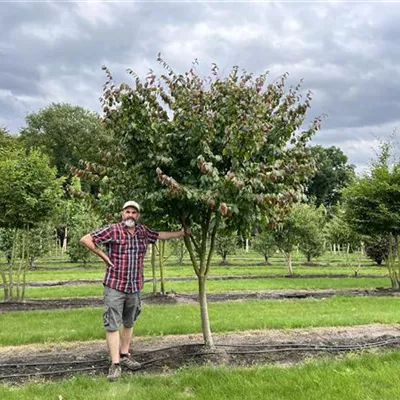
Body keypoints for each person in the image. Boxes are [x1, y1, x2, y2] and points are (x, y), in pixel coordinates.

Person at [80, 200, 189, 381]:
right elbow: (86, 239)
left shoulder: (143, 232)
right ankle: (115, 365)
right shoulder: (113, 230)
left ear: (137, 215)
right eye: (127, 212)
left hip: (134, 286)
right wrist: (103, 256)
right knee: (112, 324)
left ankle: (124, 355)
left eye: (134, 212)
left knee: (129, 322)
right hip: (115, 285)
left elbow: (160, 235)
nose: (130, 215)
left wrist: (181, 233)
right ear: (122, 214)